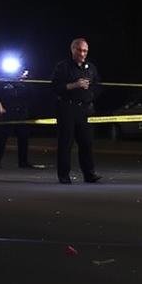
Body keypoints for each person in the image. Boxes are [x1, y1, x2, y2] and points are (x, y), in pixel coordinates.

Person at [51, 37, 102, 184]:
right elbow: (55, 87)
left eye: (85, 50)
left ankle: (89, 173)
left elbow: (98, 85)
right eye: (79, 50)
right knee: (65, 143)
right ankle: (64, 175)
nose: (82, 53)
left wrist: (91, 94)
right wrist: (73, 85)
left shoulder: (91, 68)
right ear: (73, 50)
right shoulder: (63, 67)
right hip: (67, 108)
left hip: (85, 110)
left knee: (86, 143)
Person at [0, 69, 33, 168]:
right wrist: (0, 108)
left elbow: (31, 97)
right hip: (7, 114)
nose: (26, 75)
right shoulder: (6, 84)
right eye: (24, 73)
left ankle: (23, 162)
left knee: (23, 138)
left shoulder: (26, 86)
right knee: (1, 138)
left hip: (21, 115)